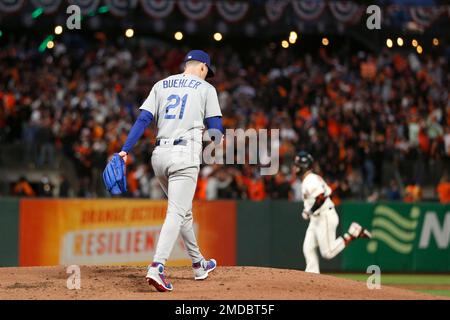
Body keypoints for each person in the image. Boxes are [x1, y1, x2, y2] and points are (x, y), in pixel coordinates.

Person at [118, 50, 222, 292]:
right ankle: (157, 266)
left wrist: (125, 149)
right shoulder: (207, 89)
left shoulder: (161, 84)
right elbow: (216, 129)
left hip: (159, 157)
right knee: (176, 212)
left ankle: (198, 265)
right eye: (208, 72)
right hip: (184, 156)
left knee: (182, 211)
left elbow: (143, 119)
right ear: (203, 68)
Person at [294, 151, 372, 274]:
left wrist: (309, 211)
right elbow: (316, 197)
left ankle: (353, 233)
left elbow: (321, 197)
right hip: (317, 218)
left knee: (328, 253)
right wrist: (308, 209)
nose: (295, 167)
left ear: (303, 166)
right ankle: (312, 276)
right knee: (308, 247)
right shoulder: (311, 178)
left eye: (297, 164)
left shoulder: (310, 180)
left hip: (324, 216)